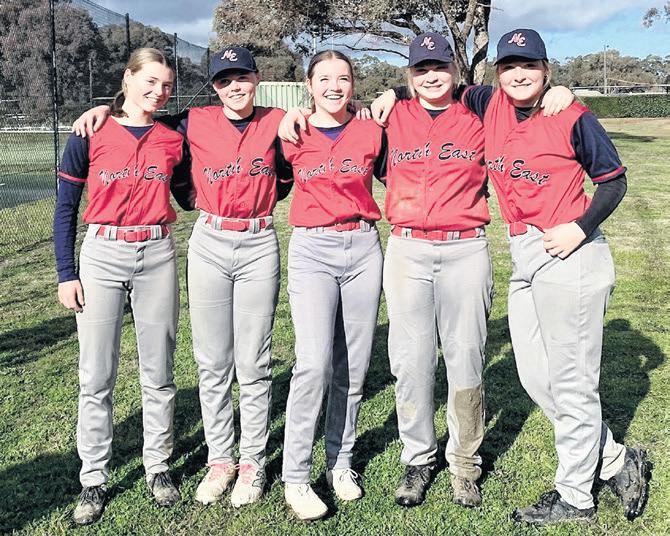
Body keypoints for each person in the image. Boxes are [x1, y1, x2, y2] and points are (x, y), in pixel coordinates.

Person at [372, 28, 651, 526]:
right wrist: (391, 93)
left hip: (569, 249)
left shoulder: (570, 114)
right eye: (510, 66)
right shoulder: (490, 102)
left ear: (547, 70)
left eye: (530, 65)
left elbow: (613, 181)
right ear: (497, 73)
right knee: (535, 376)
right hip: (525, 253)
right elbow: (440, 85)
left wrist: (580, 227)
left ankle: (576, 497)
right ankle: (613, 458)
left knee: (571, 381)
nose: (519, 74)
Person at [280, 36, 572, 511]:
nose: (431, 76)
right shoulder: (391, 115)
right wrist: (385, 96)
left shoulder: (480, 112)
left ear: (455, 71)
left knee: (466, 359)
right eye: (421, 69)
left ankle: (464, 464)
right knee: (410, 362)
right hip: (408, 249)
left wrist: (561, 91)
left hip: (465, 248)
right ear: (409, 75)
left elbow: (525, 98)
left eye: (439, 67)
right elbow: (337, 129)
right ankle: (417, 458)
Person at [72, 46, 293, 508]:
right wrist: (104, 109)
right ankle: (218, 460)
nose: (234, 86)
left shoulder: (277, 120)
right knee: (209, 364)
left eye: (242, 76)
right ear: (213, 87)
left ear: (257, 79)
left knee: (251, 362)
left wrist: (381, 98)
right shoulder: (189, 123)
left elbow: (301, 154)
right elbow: (139, 121)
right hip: (193, 242)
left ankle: (248, 462)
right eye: (224, 79)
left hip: (250, 242)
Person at [54, 47, 191, 526]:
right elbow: (66, 207)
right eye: (149, 81)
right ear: (127, 79)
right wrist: (66, 273)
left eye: (166, 85)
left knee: (160, 369)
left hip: (156, 253)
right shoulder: (90, 132)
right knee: (96, 374)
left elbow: (192, 186)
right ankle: (93, 476)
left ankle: (158, 466)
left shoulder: (173, 136)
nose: (159, 91)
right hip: (102, 253)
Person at [279, 50, 385, 521]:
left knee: (353, 367)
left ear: (354, 84)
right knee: (314, 364)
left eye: (343, 78)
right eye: (324, 79)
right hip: (312, 250)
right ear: (309, 85)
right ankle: (296, 476)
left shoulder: (371, 129)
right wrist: (285, 116)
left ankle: (340, 462)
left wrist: (390, 95)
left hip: (362, 247)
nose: (334, 87)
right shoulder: (291, 131)